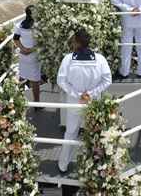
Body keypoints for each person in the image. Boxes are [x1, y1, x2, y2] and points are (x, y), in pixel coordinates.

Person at [56, 28, 112, 173]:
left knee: (70, 133)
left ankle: (63, 164)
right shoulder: (100, 59)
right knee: (94, 133)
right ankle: (95, 165)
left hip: (75, 103)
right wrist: (91, 94)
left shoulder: (68, 59)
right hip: (93, 104)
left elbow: (61, 81)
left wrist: (77, 94)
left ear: (76, 42)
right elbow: (107, 80)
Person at [13, 5, 41, 103]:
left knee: (22, 76)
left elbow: (15, 39)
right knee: (35, 81)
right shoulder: (38, 25)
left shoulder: (19, 25)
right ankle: (37, 103)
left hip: (23, 55)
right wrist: (31, 49)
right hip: (33, 56)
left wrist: (23, 49)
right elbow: (41, 41)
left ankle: (18, 99)